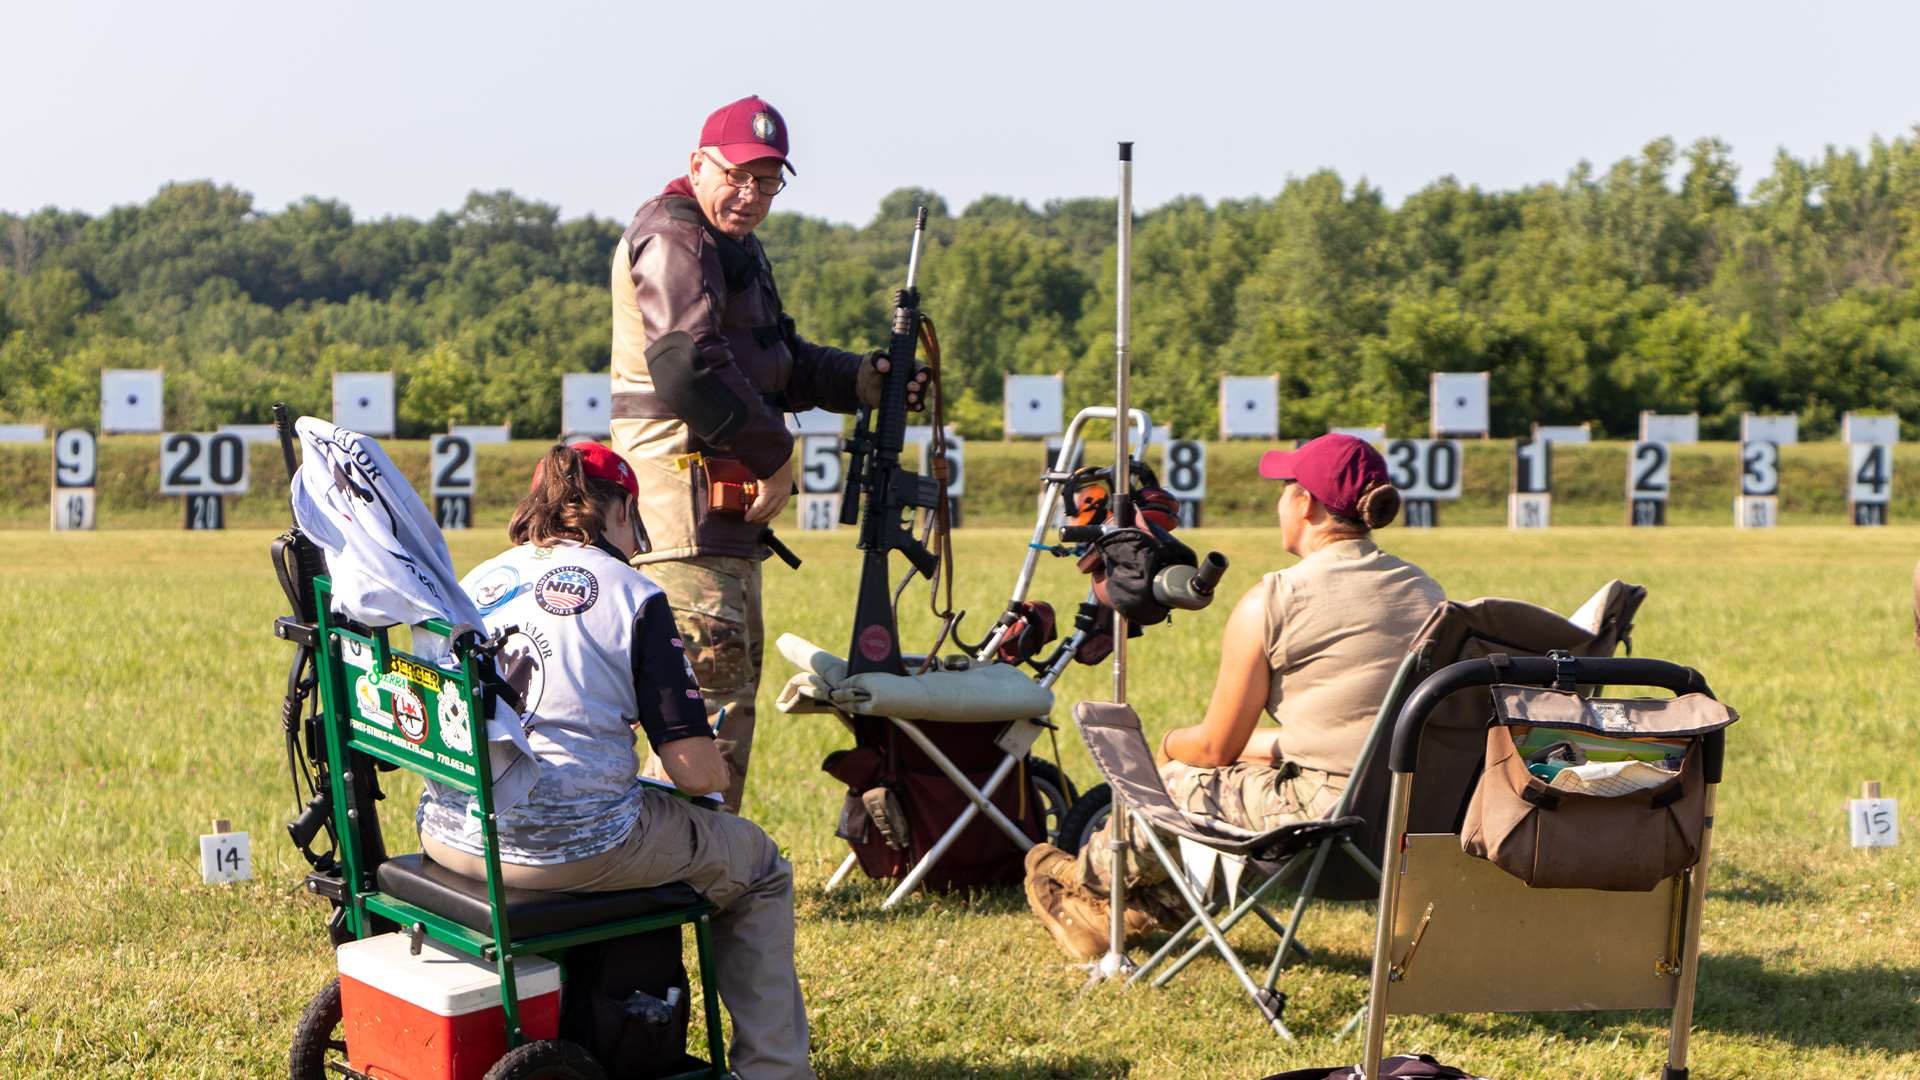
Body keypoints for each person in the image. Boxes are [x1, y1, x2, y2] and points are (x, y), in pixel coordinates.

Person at [416, 442, 814, 1079]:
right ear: (623, 507)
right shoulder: (634, 592)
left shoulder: (479, 580)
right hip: (569, 848)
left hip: (450, 834)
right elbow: (695, 772)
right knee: (758, 865)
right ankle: (775, 1072)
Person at [608, 93, 927, 813]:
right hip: (682, 514)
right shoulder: (676, 237)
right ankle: (686, 879)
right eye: (738, 176)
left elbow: (775, 357)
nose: (751, 195)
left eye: (768, 181)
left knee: (727, 696)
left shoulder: (728, 243)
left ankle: (702, 871)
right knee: (704, 713)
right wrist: (774, 455)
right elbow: (687, 365)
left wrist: (861, 379)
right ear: (698, 164)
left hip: (716, 516)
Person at [1023, 433, 1446, 958]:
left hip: (1318, 829)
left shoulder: (1274, 599)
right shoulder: (1430, 594)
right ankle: (1132, 912)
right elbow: (1347, 736)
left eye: (1287, 486)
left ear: (1305, 502)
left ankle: (1083, 885)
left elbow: (1216, 749)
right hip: (1409, 826)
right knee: (1230, 778)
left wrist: (1171, 742)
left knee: (1179, 780)